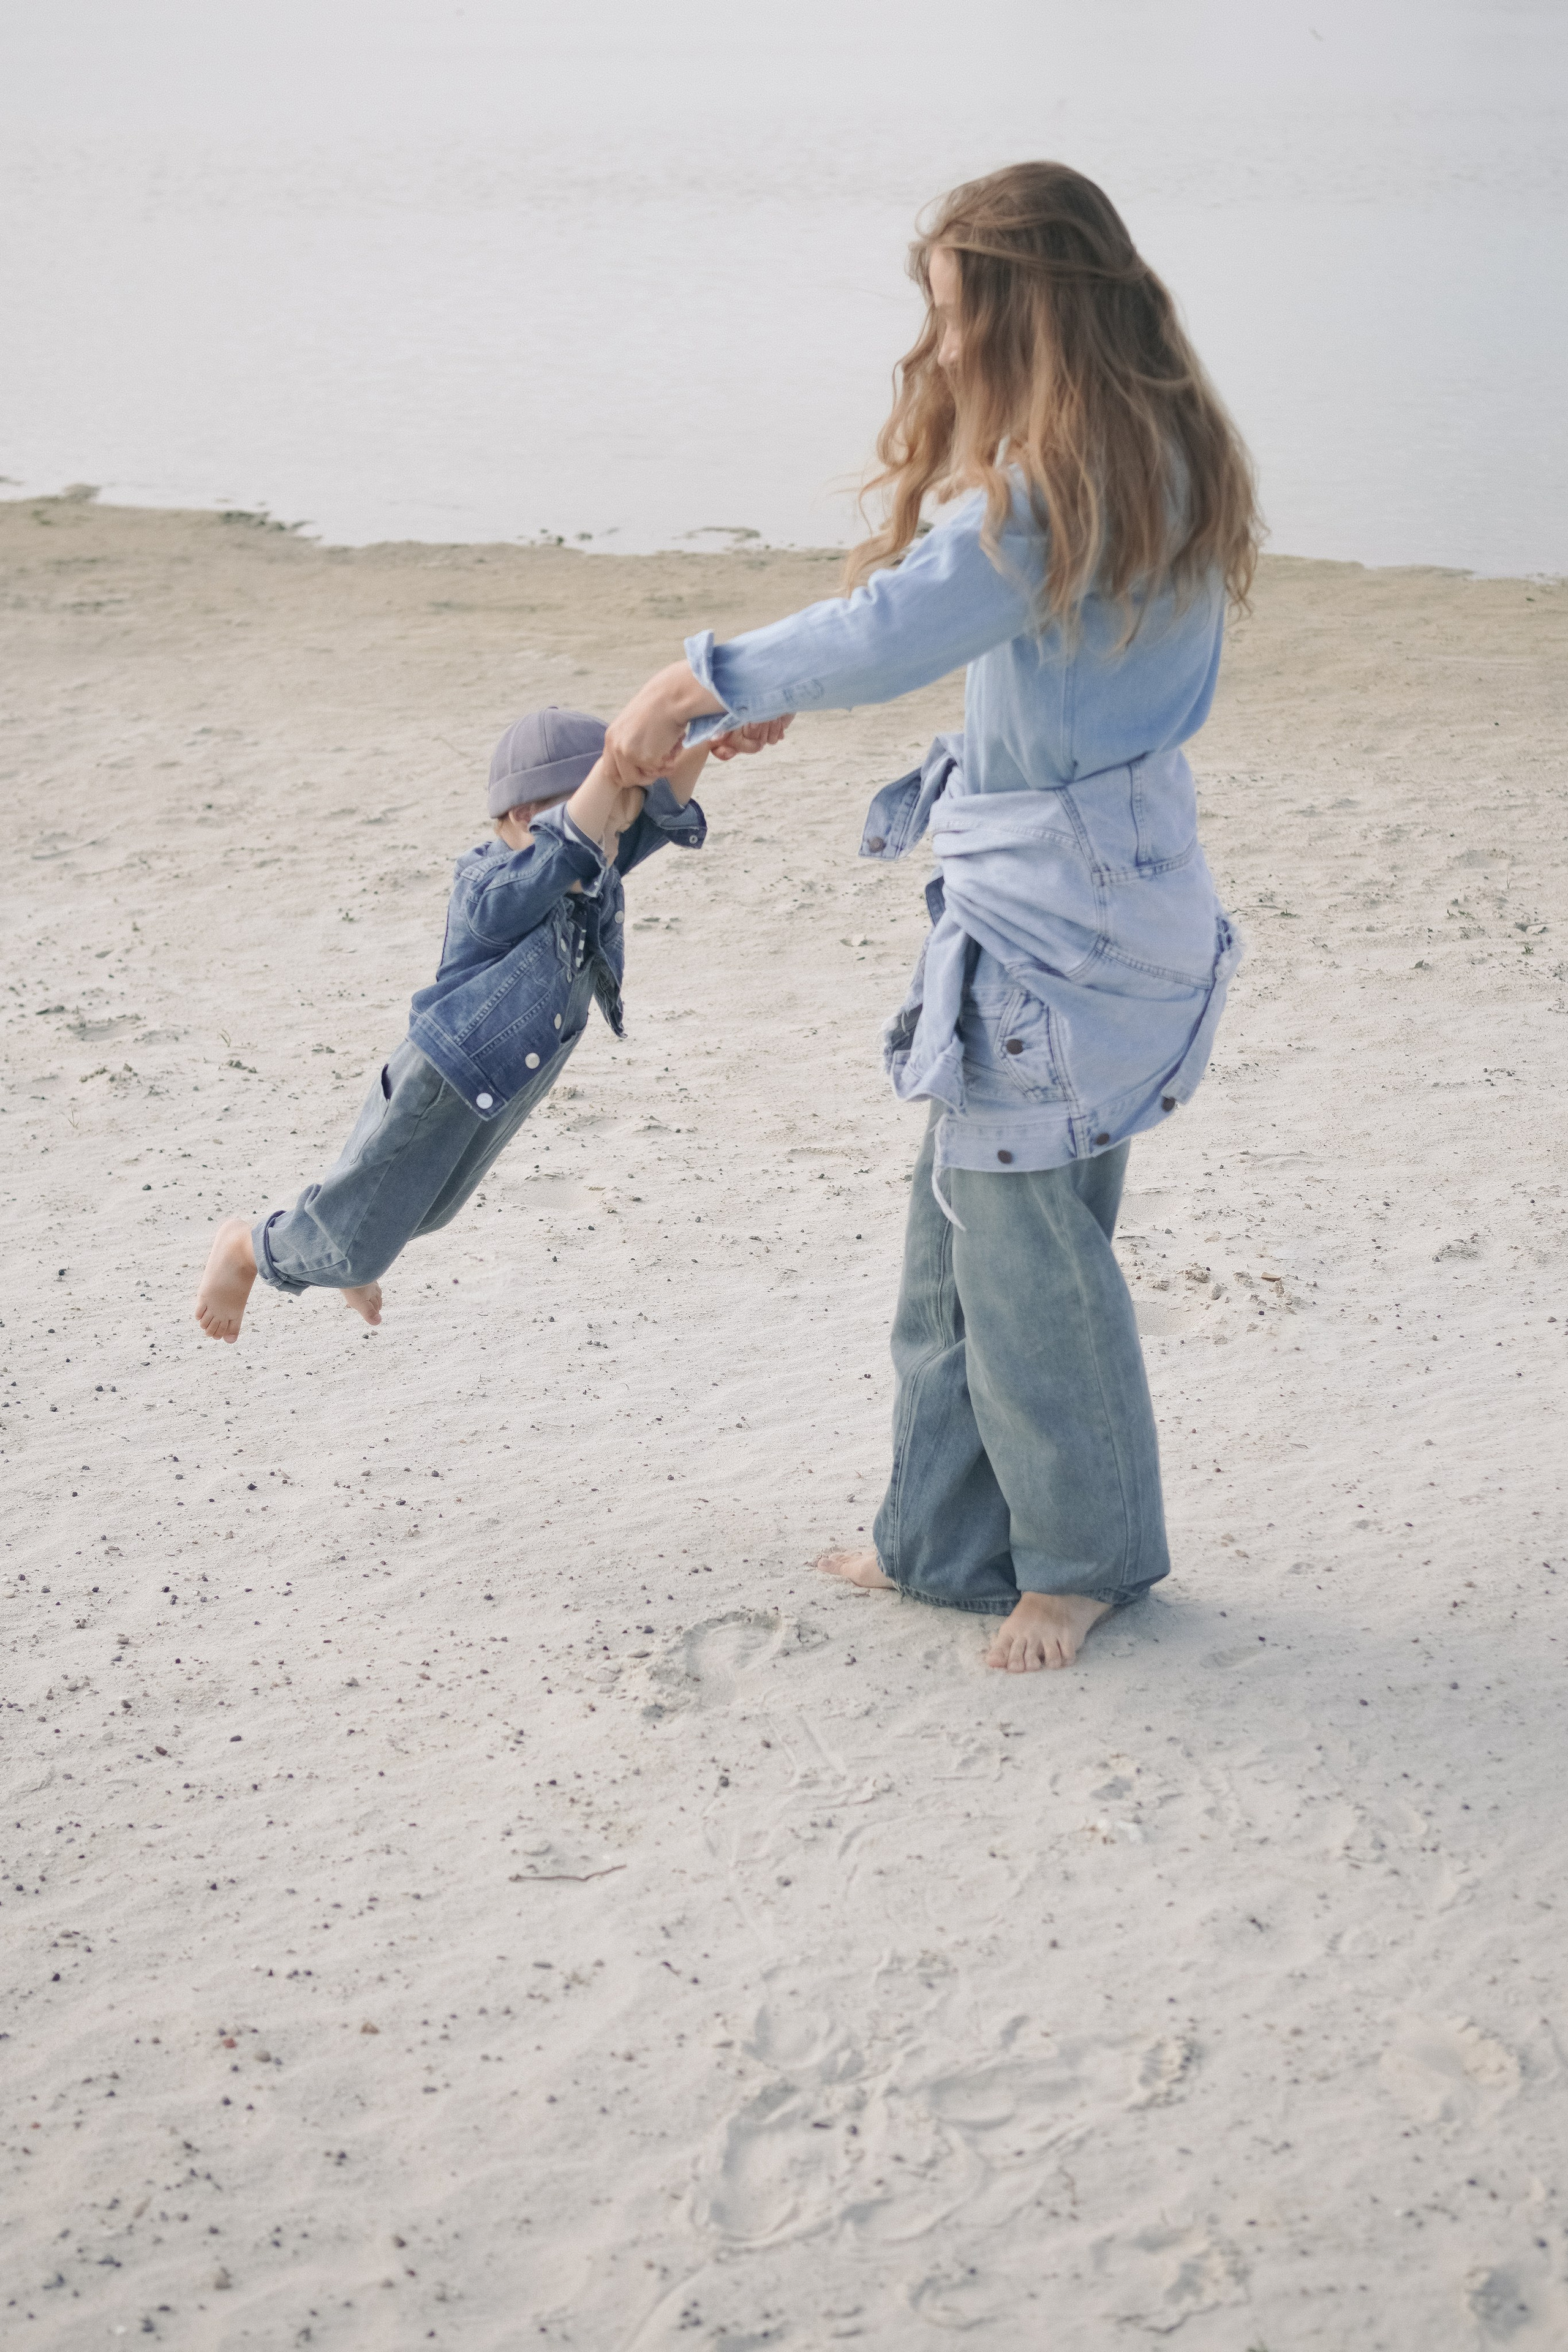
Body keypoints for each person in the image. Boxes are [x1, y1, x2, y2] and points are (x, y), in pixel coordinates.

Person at [601, 162, 1262, 1673]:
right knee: (967, 1229)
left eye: (957, 313)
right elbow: (981, 643)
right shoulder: (1155, 450)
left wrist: (694, 679)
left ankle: (1080, 1561)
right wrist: (763, 702)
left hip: (1055, 919)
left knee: (1021, 1248)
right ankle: (944, 1541)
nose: (941, 347)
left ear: (1026, 312)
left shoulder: (1050, 496)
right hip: (1120, 889)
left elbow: (889, 623)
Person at [192, 704, 779, 1343]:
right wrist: (608, 777)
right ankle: (246, 1249)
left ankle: (351, 1248)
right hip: (442, 1077)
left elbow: (657, 809)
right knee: (359, 1229)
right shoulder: (491, 886)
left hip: (501, 1082)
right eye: (609, 824)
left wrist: (703, 737)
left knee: (428, 1208)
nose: (614, 849)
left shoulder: (593, 856)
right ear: (530, 818)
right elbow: (556, 859)